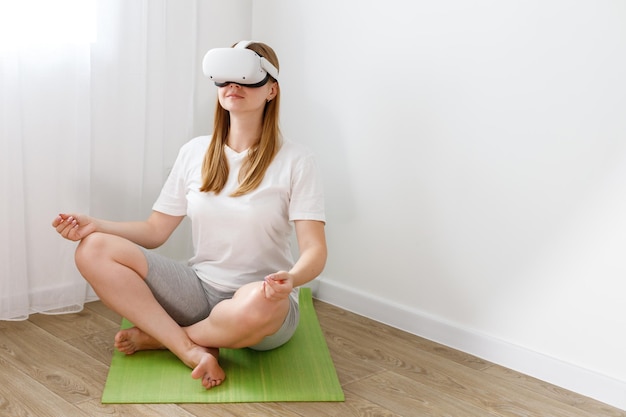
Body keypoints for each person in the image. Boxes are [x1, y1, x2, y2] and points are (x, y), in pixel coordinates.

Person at [52, 41, 326, 389]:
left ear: (271, 89)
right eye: (225, 78)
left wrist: (292, 279)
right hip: (199, 291)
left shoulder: (297, 161)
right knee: (92, 248)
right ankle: (189, 348)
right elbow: (155, 230)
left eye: (245, 77)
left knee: (254, 302)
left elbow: (315, 249)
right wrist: (96, 225)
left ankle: (163, 338)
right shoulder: (195, 152)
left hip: (264, 302)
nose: (233, 86)